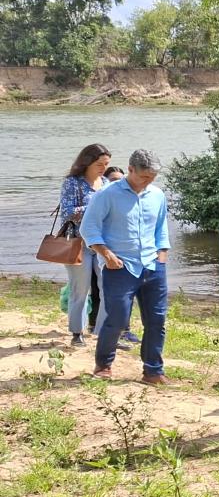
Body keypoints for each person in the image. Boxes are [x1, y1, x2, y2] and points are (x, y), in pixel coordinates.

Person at [80, 149, 171, 384]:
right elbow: (89, 228)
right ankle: (103, 365)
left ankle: (153, 371)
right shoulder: (106, 195)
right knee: (118, 319)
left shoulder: (157, 195)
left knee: (157, 319)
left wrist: (162, 255)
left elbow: (161, 228)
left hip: (153, 266)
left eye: (152, 178)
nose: (148, 182)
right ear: (130, 170)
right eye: (144, 177)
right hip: (119, 267)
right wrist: (106, 254)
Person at [59, 143, 110, 346]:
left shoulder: (106, 183)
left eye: (106, 164)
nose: (103, 168)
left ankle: (101, 331)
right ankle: (77, 333)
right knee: (80, 289)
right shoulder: (72, 183)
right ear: (87, 162)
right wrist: (95, 205)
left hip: (102, 242)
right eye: (100, 164)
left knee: (107, 287)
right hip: (78, 243)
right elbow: (67, 212)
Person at [90, 165, 142, 348]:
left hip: (122, 255)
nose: (118, 183)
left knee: (124, 295)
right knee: (101, 292)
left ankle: (124, 330)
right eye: (113, 180)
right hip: (100, 252)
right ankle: (100, 330)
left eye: (121, 179)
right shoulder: (103, 197)